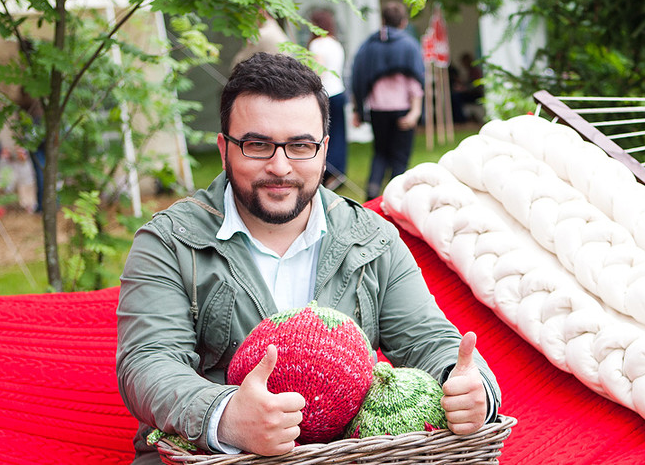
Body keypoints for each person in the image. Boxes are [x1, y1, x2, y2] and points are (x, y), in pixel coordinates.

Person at [116, 52, 500, 464]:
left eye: (300, 145)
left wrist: (468, 388)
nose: (280, 167)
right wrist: (226, 416)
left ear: (324, 149)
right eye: (257, 145)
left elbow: (430, 340)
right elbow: (147, 363)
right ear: (224, 148)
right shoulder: (169, 241)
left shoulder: (372, 238)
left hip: (344, 457)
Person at [350, 1, 424, 201]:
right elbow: (415, 82)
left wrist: (357, 108)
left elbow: (358, 76)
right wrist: (415, 112)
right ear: (403, 22)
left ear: (383, 20)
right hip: (402, 109)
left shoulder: (369, 46)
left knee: (380, 152)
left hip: (378, 109)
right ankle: (395, 197)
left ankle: (372, 193)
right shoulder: (409, 45)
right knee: (400, 156)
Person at [307, 8, 348, 189]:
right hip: (339, 92)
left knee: (323, 134)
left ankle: (327, 171)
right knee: (339, 134)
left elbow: (318, 71)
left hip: (325, 94)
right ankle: (339, 171)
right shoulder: (335, 43)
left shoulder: (317, 45)